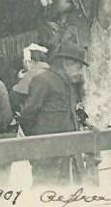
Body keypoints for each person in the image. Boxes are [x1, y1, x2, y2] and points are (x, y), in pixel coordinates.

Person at [20, 43, 88, 184]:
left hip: (64, 150)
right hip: (46, 151)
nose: (80, 72)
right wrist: (37, 141)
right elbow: (27, 115)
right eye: (78, 67)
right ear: (66, 64)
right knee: (43, 189)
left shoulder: (69, 84)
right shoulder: (43, 80)